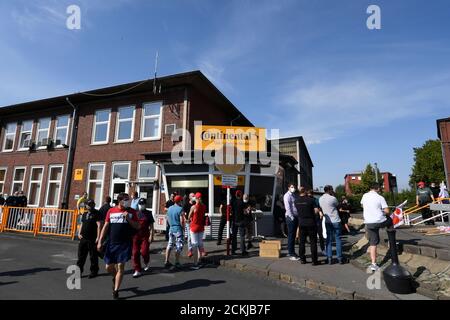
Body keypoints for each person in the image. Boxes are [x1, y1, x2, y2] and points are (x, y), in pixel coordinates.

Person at [97, 192, 140, 300]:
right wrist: (100, 241)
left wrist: (128, 219)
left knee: (121, 266)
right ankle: (115, 277)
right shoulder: (111, 211)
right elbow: (105, 226)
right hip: (112, 243)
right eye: (126, 199)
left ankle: (116, 291)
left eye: (128, 199)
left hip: (125, 244)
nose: (128, 201)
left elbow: (137, 226)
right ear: (120, 201)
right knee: (108, 267)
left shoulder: (132, 212)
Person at [361, 182, 393, 271]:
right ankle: (392, 240)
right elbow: (387, 211)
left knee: (373, 243)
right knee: (390, 220)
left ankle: (373, 264)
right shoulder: (380, 197)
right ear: (378, 188)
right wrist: (382, 212)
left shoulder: (364, 196)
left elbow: (362, 205)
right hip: (379, 221)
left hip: (368, 222)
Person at [76, 199, 102, 278]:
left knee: (93, 256)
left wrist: (98, 237)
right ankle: (79, 271)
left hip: (92, 238)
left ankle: (94, 271)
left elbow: (99, 225)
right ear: (86, 205)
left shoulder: (97, 213)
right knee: (81, 256)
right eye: (89, 204)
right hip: (83, 238)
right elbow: (82, 223)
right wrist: (79, 233)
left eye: (92, 204)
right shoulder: (85, 213)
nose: (90, 205)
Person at [319, 185, 345, 264]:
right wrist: (333, 195)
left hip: (327, 221)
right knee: (338, 239)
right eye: (332, 189)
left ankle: (329, 258)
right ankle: (339, 258)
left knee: (328, 240)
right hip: (336, 220)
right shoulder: (333, 198)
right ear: (329, 190)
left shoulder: (320, 199)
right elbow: (337, 206)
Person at [295, 187, 321, 265]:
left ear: (299, 192)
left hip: (301, 223)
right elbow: (316, 211)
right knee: (313, 242)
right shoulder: (311, 200)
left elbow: (297, 211)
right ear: (305, 191)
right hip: (311, 222)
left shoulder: (296, 201)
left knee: (302, 242)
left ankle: (302, 259)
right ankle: (314, 261)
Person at [132, 198, 155, 277]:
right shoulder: (135, 213)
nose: (141, 206)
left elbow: (151, 226)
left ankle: (146, 261)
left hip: (145, 235)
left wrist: (152, 235)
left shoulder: (148, 213)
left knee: (144, 252)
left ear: (145, 205)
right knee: (135, 253)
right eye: (140, 204)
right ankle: (137, 269)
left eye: (143, 204)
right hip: (135, 235)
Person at [188, 192, 207, 269]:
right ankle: (200, 259)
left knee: (194, 245)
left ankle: (195, 263)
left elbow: (189, 216)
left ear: (196, 198)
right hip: (201, 227)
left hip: (194, 227)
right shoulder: (204, 206)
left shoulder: (193, 207)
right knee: (200, 243)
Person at [165, 195, 185, 269]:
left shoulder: (169, 208)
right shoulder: (180, 209)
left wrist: (170, 225)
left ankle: (166, 261)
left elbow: (167, 218)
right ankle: (177, 262)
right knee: (178, 245)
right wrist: (183, 229)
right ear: (179, 201)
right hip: (178, 229)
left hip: (171, 228)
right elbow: (181, 220)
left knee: (170, 244)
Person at [231, 190, 252, 256]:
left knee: (234, 236)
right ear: (241, 195)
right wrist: (248, 210)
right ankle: (243, 251)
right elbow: (246, 212)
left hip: (234, 221)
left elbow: (230, 210)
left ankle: (233, 250)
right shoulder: (242, 203)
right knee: (242, 236)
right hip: (241, 222)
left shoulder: (232, 202)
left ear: (235, 195)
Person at [283, 184, 300, 260]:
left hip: (295, 217)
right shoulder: (287, 196)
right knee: (291, 235)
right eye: (292, 187)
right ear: (288, 188)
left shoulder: (293, 195)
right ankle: (291, 253)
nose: (293, 188)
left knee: (292, 235)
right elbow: (288, 208)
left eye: (294, 187)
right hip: (291, 218)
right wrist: (292, 217)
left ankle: (291, 251)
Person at [307, 190, 325, 255]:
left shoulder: (314, 200)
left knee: (317, 235)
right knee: (317, 236)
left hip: (314, 219)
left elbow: (319, 208)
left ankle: (320, 250)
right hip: (313, 219)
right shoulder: (313, 200)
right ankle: (320, 250)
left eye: (310, 194)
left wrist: (319, 212)